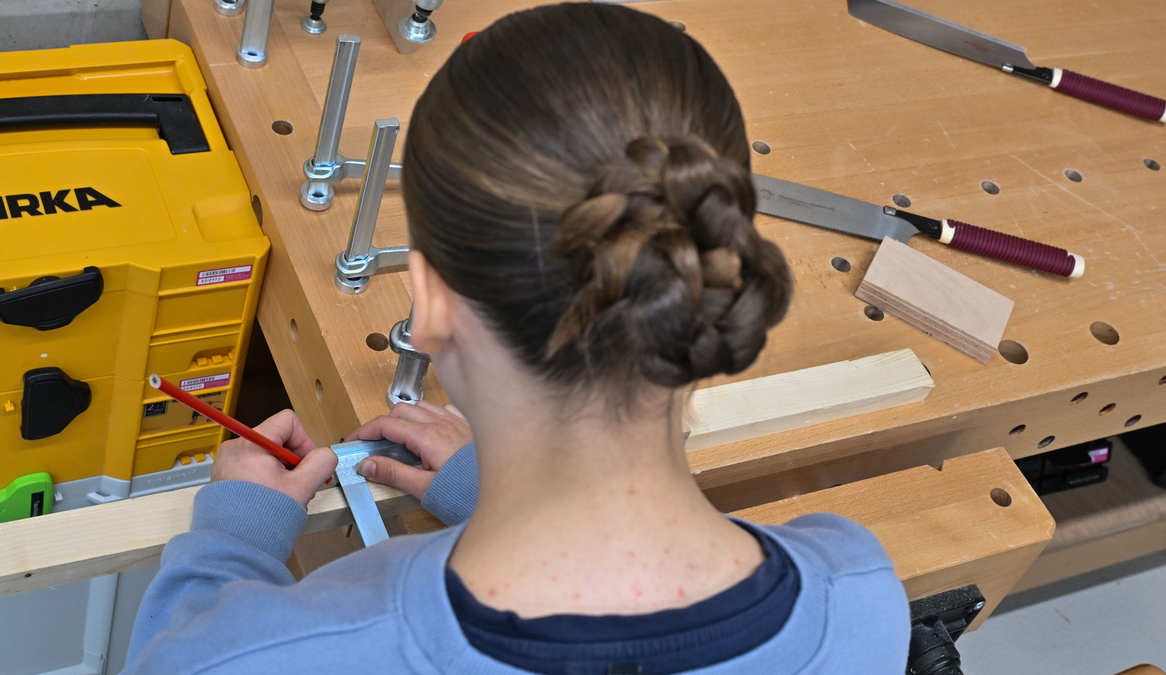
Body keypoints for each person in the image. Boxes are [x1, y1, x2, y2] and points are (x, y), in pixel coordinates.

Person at [124, 4, 909, 673]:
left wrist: (230, 542)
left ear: (426, 303)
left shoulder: (260, 656)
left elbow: (184, 651)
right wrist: (486, 494)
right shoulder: (862, 593)